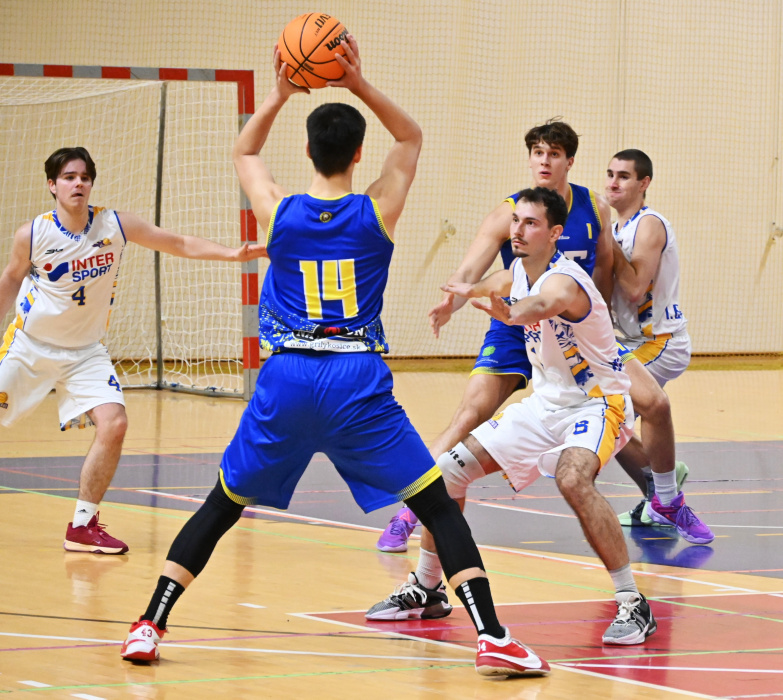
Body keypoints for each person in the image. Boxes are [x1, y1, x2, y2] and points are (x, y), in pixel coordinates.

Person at [120, 37, 550, 678]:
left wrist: (283, 90)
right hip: (356, 380)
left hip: (287, 376)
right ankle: (492, 636)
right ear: (356, 154)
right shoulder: (377, 210)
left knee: (221, 504)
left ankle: (148, 625)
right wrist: (357, 83)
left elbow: (243, 150)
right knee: (434, 503)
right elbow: (410, 139)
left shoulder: (281, 212)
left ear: (308, 151)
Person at [375, 120, 692, 554]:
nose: (544, 160)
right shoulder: (510, 211)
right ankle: (410, 512)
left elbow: (603, 266)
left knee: (645, 405)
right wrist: (453, 299)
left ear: (569, 161)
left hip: (574, 333)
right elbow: (471, 272)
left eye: (554, 153)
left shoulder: (593, 207)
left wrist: (591, 318)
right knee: (469, 415)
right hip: (515, 325)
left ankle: (664, 500)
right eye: (538, 153)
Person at [369, 187, 657, 645]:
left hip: (598, 403)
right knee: (443, 475)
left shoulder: (567, 281)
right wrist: (458, 298)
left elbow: (538, 306)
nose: (517, 230)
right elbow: (494, 284)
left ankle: (632, 601)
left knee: (573, 478)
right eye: (516, 222)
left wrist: (511, 313)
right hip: (544, 406)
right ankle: (426, 587)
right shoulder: (517, 271)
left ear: (555, 233)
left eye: (530, 223)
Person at [0, 146, 266, 555]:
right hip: (30, 347)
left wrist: (232, 253)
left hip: (85, 352)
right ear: (52, 185)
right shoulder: (33, 234)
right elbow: (11, 281)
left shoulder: (114, 225)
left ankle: (83, 527)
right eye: (69, 177)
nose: (78, 183)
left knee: (115, 424)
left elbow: (176, 241)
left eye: (85, 177)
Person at [606, 149, 712, 542]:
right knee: (607, 419)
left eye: (623, 176)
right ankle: (659, 492)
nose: (613, 183)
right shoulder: (615, 230)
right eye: (610, 174)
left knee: (607, 410)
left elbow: (634, 290)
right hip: (630, 342)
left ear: (643, 183)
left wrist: (604, 240)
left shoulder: (648, 225)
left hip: (661, 342)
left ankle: (664, 493)